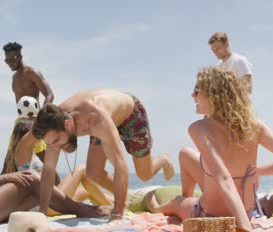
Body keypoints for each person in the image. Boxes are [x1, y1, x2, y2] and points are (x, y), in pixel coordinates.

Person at [148, 67, 273, 231]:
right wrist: (256, 171)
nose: (193, 95)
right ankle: (189, 197)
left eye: (197, 91)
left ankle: (157, 208)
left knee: (177, 203)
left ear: (212, 96)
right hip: (247, 209)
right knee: (185, 153)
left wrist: (244, 227)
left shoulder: (199, 128)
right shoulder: (254, 125)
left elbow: (224, 177)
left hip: (210, 215)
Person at [17, 89, 175, 221]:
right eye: (52, 143)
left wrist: (117, 215)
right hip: (104, 121)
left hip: (130, 116)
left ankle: (163, 160)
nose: (56, 147)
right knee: (93, 172)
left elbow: (120, 165)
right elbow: (49, 170)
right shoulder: (52, 125)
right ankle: (127, 198)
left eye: (58, 140)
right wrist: (42, 214)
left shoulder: (95, 119)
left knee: (144, 174)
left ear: (67, 124)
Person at [0, 100, 107, 226]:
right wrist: (8, 177)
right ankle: (86, 210)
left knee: (37, 195)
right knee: (32, 177)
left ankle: (89, 209)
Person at [2, 118, 113, 216]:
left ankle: (115, 205)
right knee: (82, 170)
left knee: (85, 191)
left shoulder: (29, 154)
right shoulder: (22, 151)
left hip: (48, 202)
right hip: (46, 205)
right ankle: (116, 208)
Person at [2, 42, 54, 171]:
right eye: (6, 60)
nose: (9, 63)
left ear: (19, 56)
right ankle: (0, 188)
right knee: (9, 160)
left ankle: (59, 189)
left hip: (34, 122)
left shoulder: (32, 73)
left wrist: (41, 118)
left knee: (45, 162)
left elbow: (49, 95)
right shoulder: (14, 78)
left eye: (11, 59)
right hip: (20, 123)